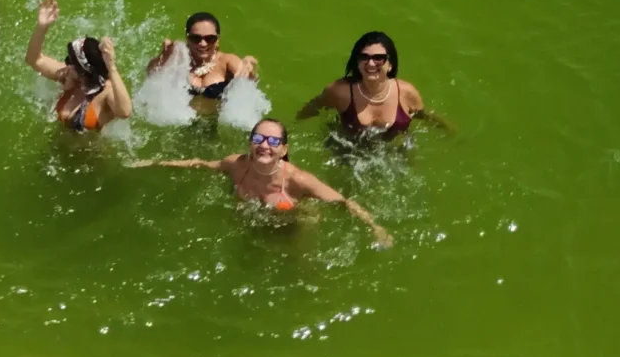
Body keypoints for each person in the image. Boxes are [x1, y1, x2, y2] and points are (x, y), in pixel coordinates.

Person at [133, 119, 392, 244]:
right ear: (250, 143)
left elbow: (344, 202)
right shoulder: (237, 165)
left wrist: (376, 228)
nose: (264, 146)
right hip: (253, 225)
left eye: (273, 141)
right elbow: (201, 164)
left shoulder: (298, 180)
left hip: (293, 229)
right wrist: (155, 164)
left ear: (283, 149)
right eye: (258, 139)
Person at [297, 31, 444, 142]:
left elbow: (425, 116)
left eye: (379, 58)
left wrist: (451, 134)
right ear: (357, 62)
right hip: (348, 154)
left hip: (393, 154)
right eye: (364, 57)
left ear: (390, 64)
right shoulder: (340, 92)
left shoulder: (406, 93)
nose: (371, 63)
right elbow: (312, 108)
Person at [26, 0, 133, 130]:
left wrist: (111, 67)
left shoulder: (106, 92)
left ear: (84, 72)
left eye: (71, 61)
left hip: (93, 151)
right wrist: (42, 27)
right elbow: (34, 60)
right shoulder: (70, 76)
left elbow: (125, 112)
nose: (67, 65)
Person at [145, 12, 260, 108]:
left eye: (210, 38)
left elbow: (247, 80)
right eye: (196, 38)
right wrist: (165, 55)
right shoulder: (179, 59)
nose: (203, 44)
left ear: (217, 40)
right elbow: (151, 73)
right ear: (187, 38)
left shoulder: (226, 61)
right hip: (181, 123)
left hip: (214, 124)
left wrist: (249, 66)